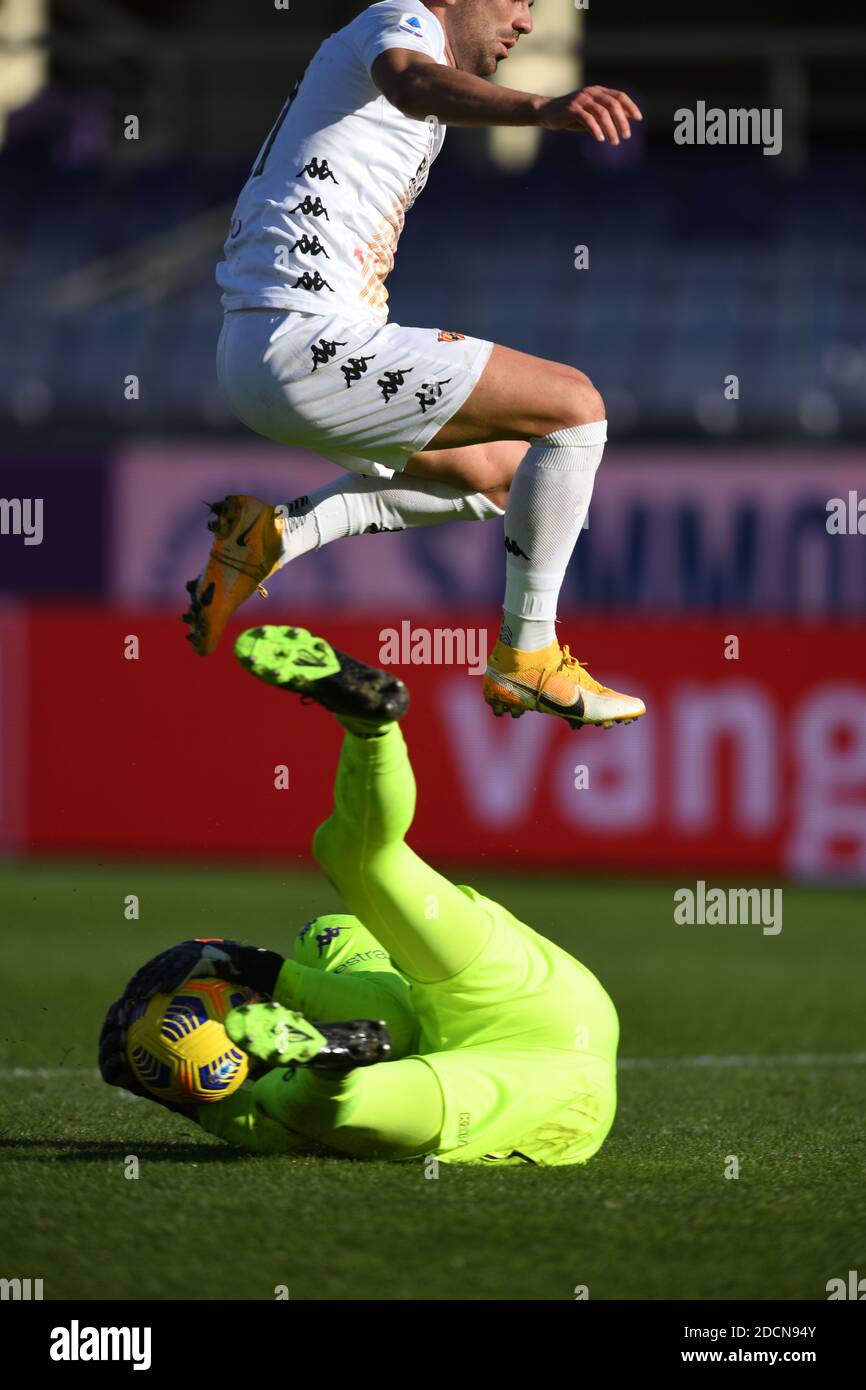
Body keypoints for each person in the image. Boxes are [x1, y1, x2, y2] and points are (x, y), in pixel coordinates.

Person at [184, 0, 646, 731]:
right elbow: (410, 81)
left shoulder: (399, 58)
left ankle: (277, 535)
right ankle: (527, 657)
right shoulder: (400, 19)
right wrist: (542, 110)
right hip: (305, 339)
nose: (526, 22)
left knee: (503, 475)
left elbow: (416, 92)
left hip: (265, 355)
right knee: (575, 406)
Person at [100, 626, 620, 1166]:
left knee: (311, 1113)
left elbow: (270, 1123)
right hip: (544, 995)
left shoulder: (341, 966)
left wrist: (186, 1102)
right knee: (362, 859)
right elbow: (385, 1015)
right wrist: (243, 962)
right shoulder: (337, 944)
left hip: (552, 1087)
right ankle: (372, 730)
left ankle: (331, 1061)